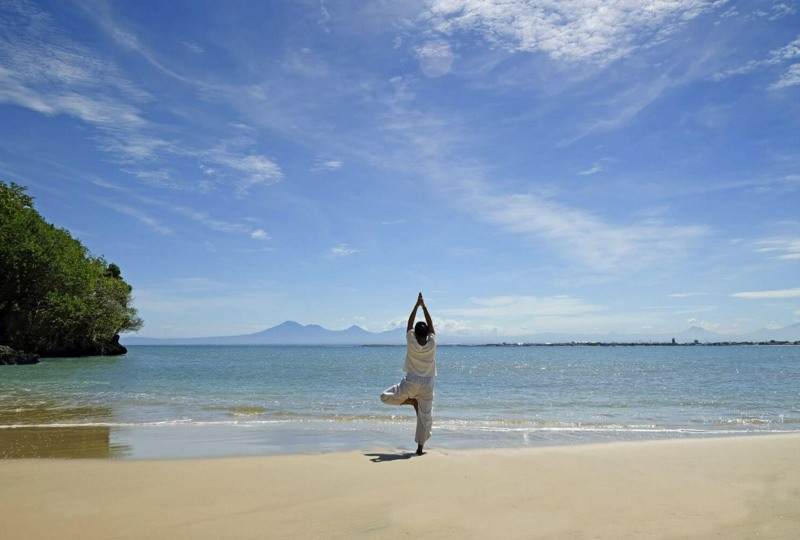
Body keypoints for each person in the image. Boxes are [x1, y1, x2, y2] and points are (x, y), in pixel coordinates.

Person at [380, 292, 436, 455]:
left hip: (411, 382)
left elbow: (409, 325)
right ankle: (420, 449)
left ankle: (411, 402)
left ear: (415, 335)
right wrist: (424, 306)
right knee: (424, 418)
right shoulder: (432, 343)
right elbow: (431, 324)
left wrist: (416, 305)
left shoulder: (412, 342)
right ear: (426, 335)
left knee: (384, 396)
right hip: (427, 384)